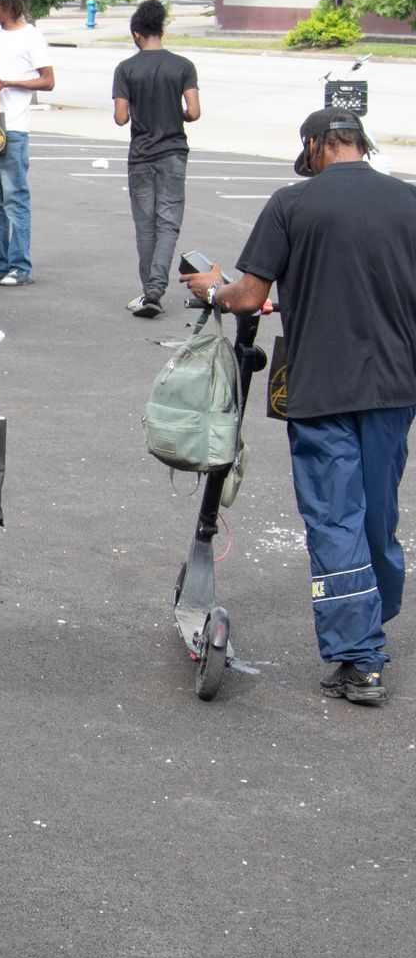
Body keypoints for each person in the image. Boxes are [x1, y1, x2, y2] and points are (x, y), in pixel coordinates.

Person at [183, 109, 416, 706]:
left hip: (319, 388)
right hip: (395, 386)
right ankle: (370, 617)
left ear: (316, 146)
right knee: (375, 513)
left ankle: (360, 659)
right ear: (362, 144)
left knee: (335, 518)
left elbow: (249, 296)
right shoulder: (408, 200)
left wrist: (211, 288)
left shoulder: (292, 204)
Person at [114, 0, 201, 318]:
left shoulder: (126, 68)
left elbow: (121, 117)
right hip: (174, 153)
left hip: (140, 156)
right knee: (168, 223)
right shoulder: (183, 66)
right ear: (160, 30)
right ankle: (155, 288)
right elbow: (194, 111)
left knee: (145, 225)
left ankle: (149, 291)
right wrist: (174, 114)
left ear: (137, 34)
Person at [0, 0, 52, 288]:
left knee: (15, 198)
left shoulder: (31, 36)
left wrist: (10, 82)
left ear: (9, 6)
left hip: (15, 126)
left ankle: (20, 266)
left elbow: (48, 81)